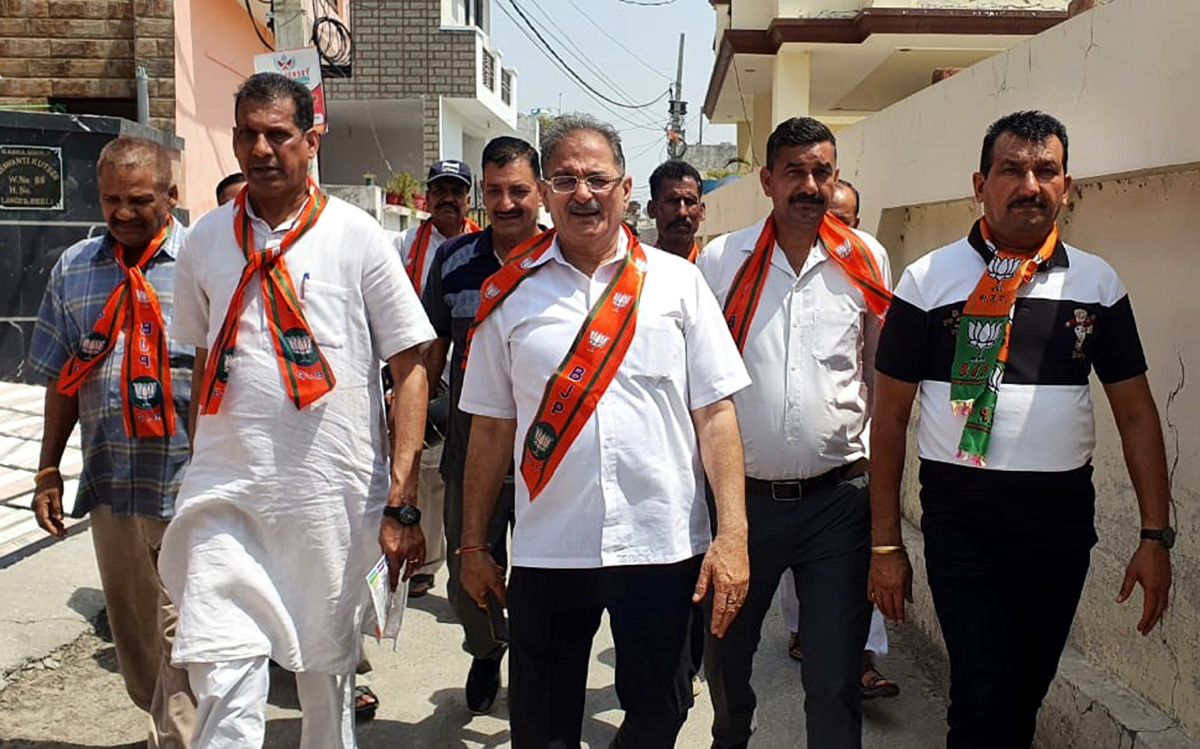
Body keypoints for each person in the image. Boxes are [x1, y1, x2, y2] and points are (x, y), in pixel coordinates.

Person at [869, 111, 1173, 749]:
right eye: (1011, 169)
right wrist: (886, 547)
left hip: (1058, 521)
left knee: (1025, 694)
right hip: (963, 519)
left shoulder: (1097, 283)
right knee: (982, 696)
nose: (1029, 184)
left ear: (1068, 186)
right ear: (980, 184)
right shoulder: (926, 282)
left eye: (1046, 171)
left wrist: (1155, 535)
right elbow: (890, 419)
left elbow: (1137, 412)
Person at [159, 72, 435, 748]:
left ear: (312, 139)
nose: (260, 149)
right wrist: (199, 462)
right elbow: (200, 362)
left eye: (277, 134)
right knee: (223, 678)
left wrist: (401, 499)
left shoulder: (358, 236)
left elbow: (412, 365)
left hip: (328, 498)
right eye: (247, 135)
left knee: (324, 680)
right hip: (227, 494)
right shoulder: (203, 243)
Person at [458, 113, 752, 748]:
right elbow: (488, 430)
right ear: (542, 191)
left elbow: (716, 414)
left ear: (624, 191)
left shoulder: (679, 285)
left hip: (661, 542)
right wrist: (474, 544)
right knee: (542, 725)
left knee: (663, 707)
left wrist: (733, 534)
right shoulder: (507, 295)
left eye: (598, 178)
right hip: (548, 548)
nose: (583, 193)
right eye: (564, 179)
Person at [696, 117, 892, 749]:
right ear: (767, 180)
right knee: (726, 658)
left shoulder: (865, 258)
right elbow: (698, 385)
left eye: (821, 172)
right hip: (742, 505)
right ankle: (732, 736)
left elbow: (880, 375)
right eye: (794, 172)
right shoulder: (722, 259)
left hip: (837, 504)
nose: (809, 186)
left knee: (834, 675)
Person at [28, 136, 196, 748]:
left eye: (139, 199)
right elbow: (61, 377)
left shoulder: (206, 262)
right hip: (113, 484)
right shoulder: (74, 269)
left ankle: (182, 737)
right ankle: (168, 728)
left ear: (171, 196)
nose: (123, 213)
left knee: (189, 639)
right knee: (137, 642)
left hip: (191, 484)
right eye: (111, 200)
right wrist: (48, 469)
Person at [420, 135, 543, 715]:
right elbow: (429, 353)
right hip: (474, 436)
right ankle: (486, 648)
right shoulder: (454, 261)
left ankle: (540, 660)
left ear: (540, 191)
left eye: (519, 190)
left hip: (549, 436)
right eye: (495, 191)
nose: (507, 202)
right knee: (471, 561)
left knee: (548, 568)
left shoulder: (562, 258)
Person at [776, 178, 900, 699]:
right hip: (772, 477)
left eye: (849, 219)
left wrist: (870, 447)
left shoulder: (868, 269)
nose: (839, 230)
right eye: (836, 219)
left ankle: (862, 660)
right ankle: (803, 632)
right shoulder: (752, 265)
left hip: (845, 469)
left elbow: (879, 366)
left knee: (852, 580)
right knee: (792, 579)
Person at [392, 158, 481, 597]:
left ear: (469, 198)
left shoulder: (481, 246)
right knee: (425, 471)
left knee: (459, 473)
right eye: (440, 189)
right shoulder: (405, 244)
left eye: (456, 190)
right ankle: (425, 564)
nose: (448, 198)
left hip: (465, 373)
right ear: (427, 196)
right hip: (420, 372)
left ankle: (466, 557)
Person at [646, 159, 706, 261]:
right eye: (672, 201)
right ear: (652, 209)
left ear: (701, 211)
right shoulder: (637, 272)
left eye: (689, 201)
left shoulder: (715, 270)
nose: (682, 212)